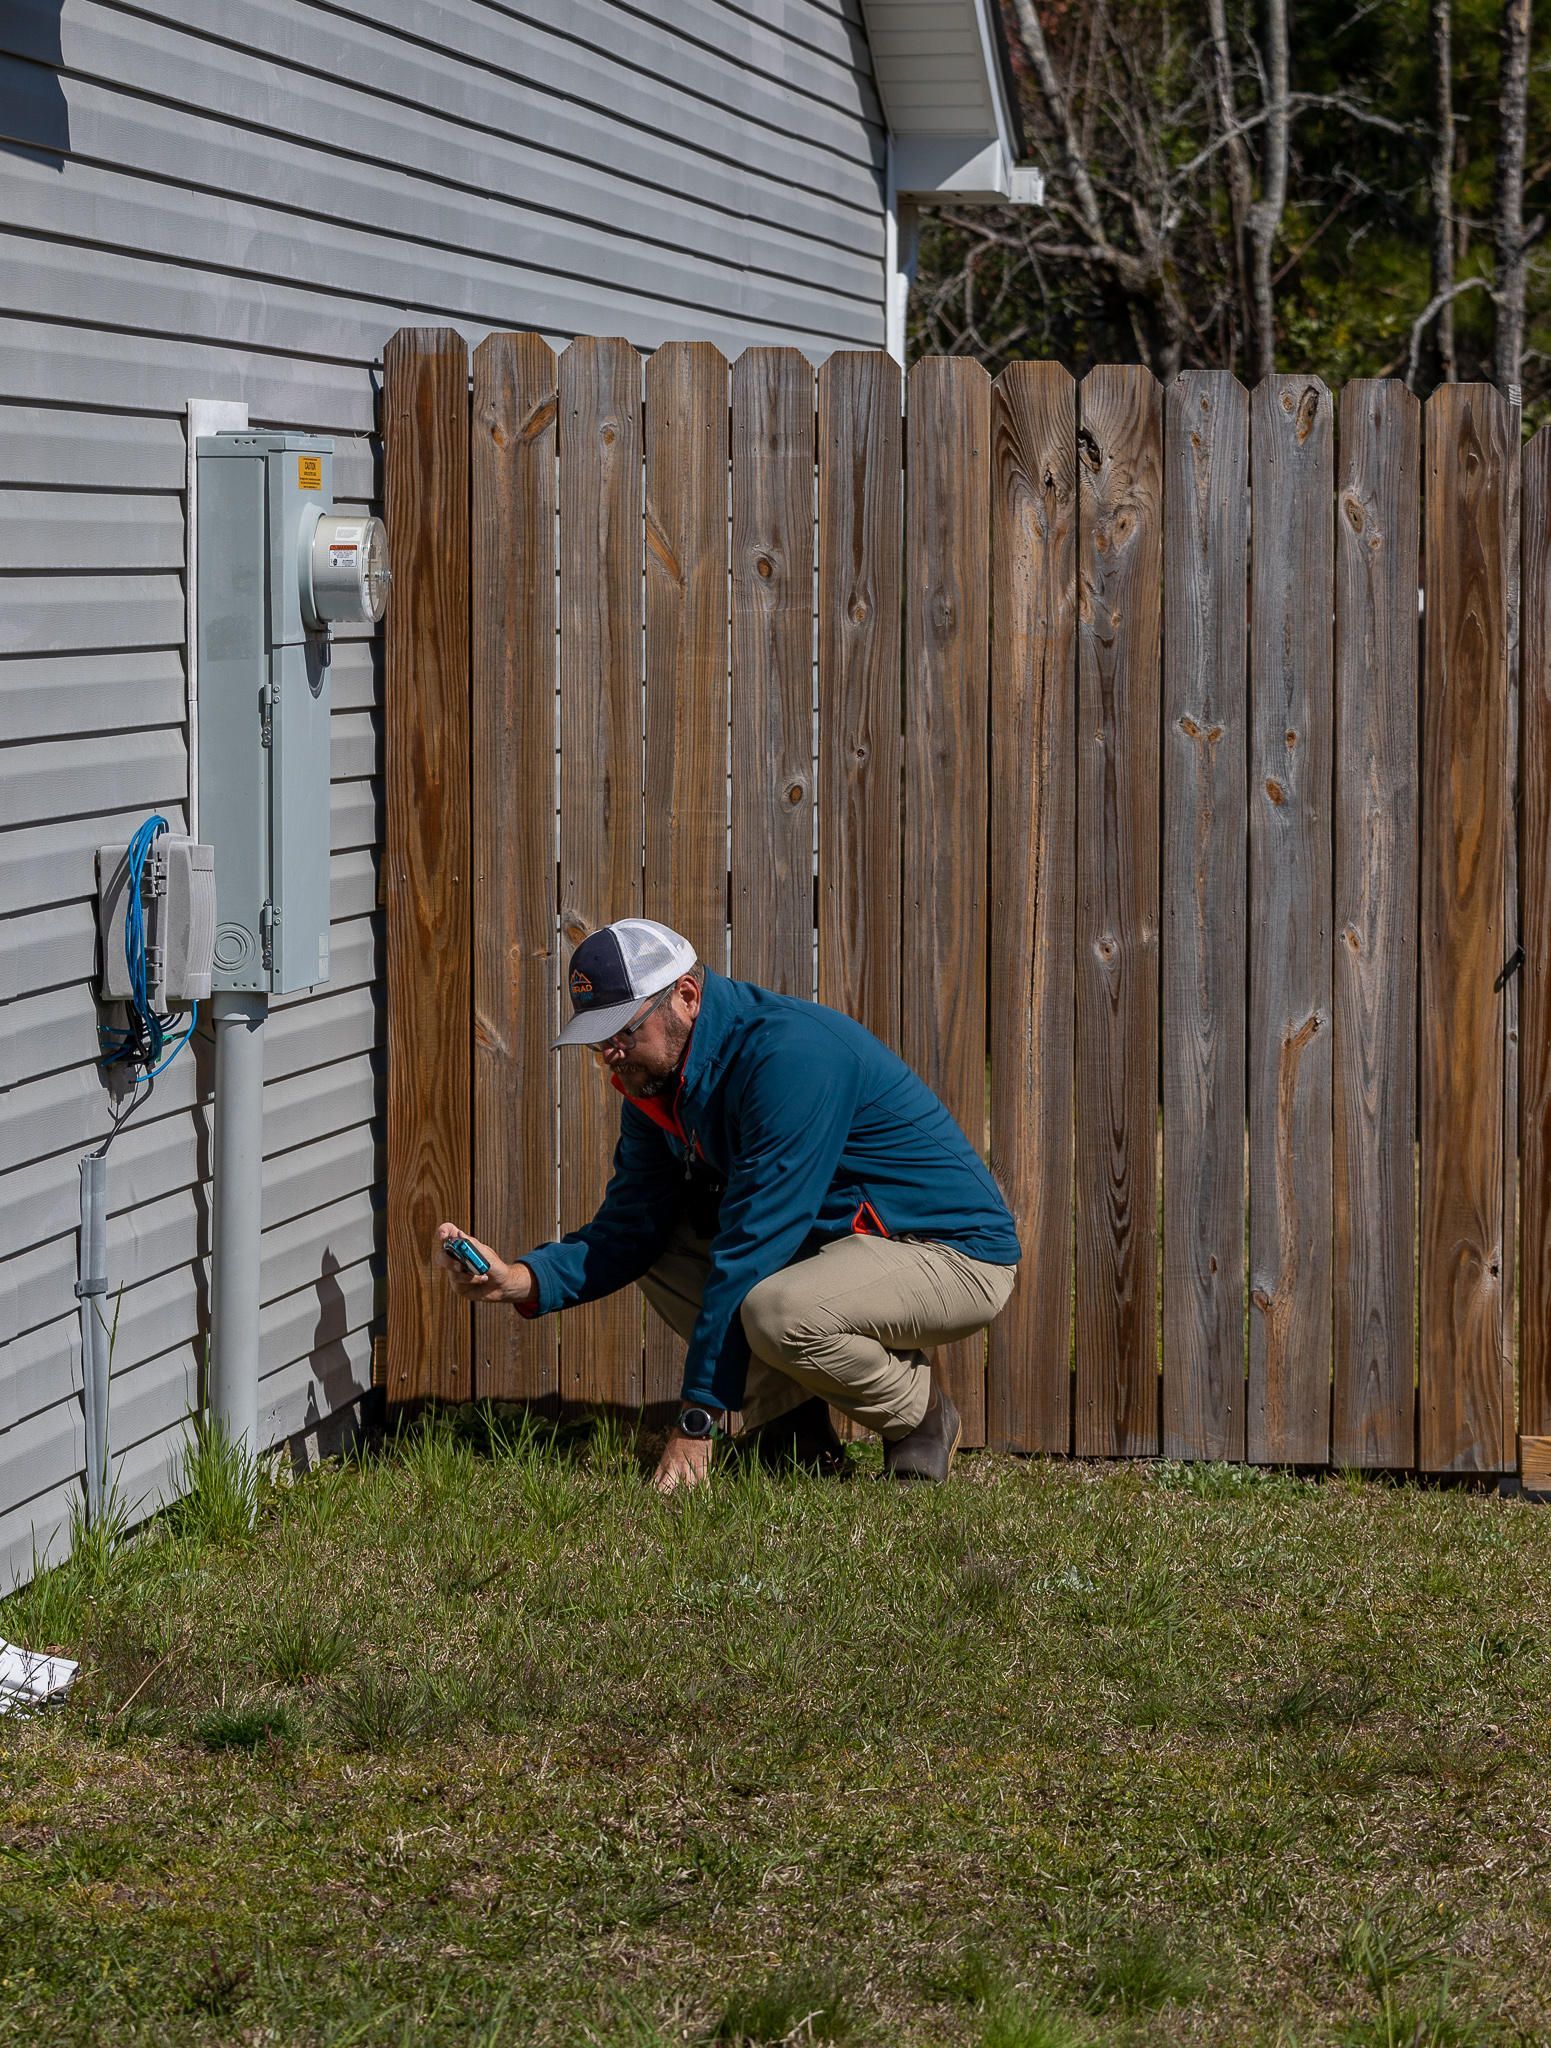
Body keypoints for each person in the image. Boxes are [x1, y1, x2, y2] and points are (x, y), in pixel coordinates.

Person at [435, 919, 1021, 1493]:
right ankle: (790, 1429)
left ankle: (918, 1414)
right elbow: (630, 1229)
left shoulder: (791, 1057)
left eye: (623, 1032)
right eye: (597, 1038)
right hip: (840, 1245)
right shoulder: (656, 1084)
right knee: (662, 1245)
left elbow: (754, 1245)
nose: (610, 1054)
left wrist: (697, 1422)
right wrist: (522, 1279)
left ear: (686, 997)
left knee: (777, 1309)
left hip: (951, 1253)